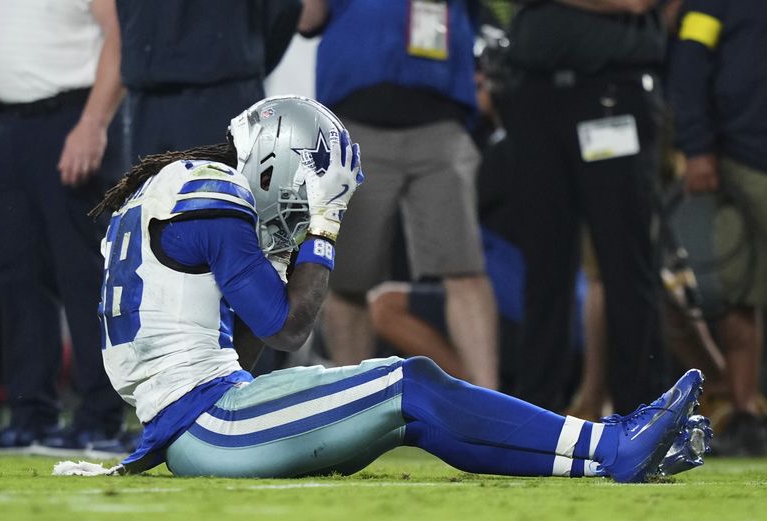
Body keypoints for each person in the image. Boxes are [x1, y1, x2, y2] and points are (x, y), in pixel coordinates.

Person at [73, 95, 710, 482]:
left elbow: (242, 353)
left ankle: (609, 455)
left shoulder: (177, 191)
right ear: (272, 163)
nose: (303, 208)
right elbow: (289, 329)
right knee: (411, 382)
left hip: (201, 418)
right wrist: (324, 224)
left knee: (413, 411)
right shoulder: (213, 194)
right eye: (305, 190)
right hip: (210, 422)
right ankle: (609, 443)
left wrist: (285, 251)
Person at [297, 0, 499, 390]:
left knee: (465, 269)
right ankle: (351, 405)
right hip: (356, 120)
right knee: (348, 279)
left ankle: (495, 406)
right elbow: (307, 18)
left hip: (441, 119)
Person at [0, 0, 128, 455]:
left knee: (84, 274)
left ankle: (101, 418)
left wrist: (94, 122)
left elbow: (120, 34)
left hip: (74, 117)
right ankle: (30, 417)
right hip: (8, 127)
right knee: (13, 273)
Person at [503, 0, 668, 413]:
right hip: (535, 95)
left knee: (625, 263)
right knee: (544, 269)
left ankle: (642, 415)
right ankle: (535, 415)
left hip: (613, 91)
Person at [669, 0, 767, 456]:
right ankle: (745, 413)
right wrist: (697, 147)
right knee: (737, 293)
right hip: (743, 158)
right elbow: (689, 65)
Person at [115, 0, 302, 162]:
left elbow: (285, 9)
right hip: (144, 102)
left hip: (219, 98)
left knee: (219, 190)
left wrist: (245, 62)